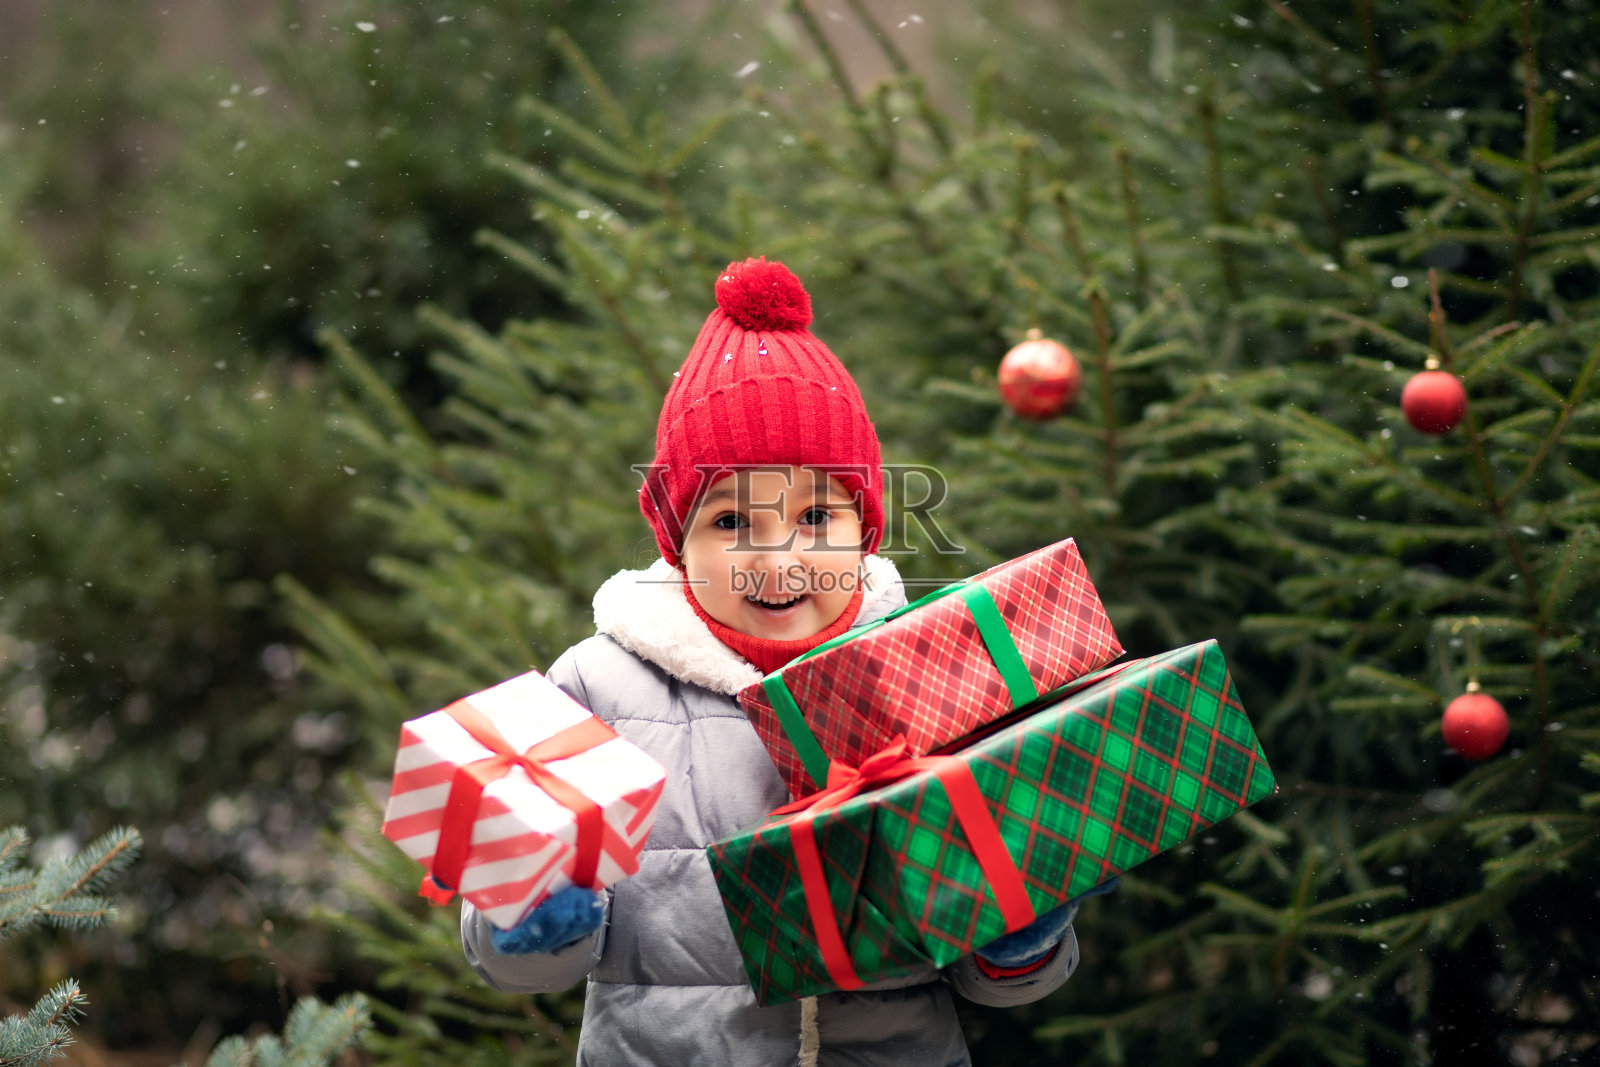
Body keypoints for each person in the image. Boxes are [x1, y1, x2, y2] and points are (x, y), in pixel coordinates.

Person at [460, 257, 1099, 1066]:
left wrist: (1021, 929)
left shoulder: (925, 676)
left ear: (863, 530)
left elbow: (997, 982)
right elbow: (519, 961)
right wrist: (527, 912)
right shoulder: (594, 689)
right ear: (675, 538)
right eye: (731, 520)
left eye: (817, 515)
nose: (779, 558)